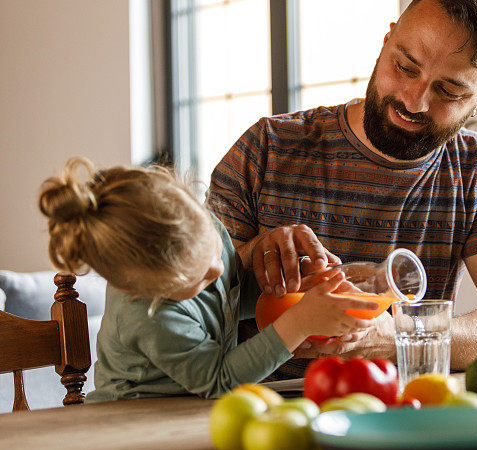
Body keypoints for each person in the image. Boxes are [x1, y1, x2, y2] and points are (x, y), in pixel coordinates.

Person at [208, 0, 477, 376]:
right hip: (259, 410)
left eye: (449, 90)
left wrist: (400, 337)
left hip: (402, 413)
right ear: (386, 42)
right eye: (405, 67)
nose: (414, 101)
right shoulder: (266, 149)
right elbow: (180, 300)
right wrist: (246, 258)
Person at [38, 156, 377, 401]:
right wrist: (298, 323)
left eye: (215, 251)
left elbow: (228, 297)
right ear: (147, 292)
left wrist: (294, 289)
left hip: (186, 408)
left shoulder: (209, 230)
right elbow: (220, 379)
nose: (217, 271)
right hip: (131, 419)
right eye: (199, 279)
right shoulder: (149, 317)